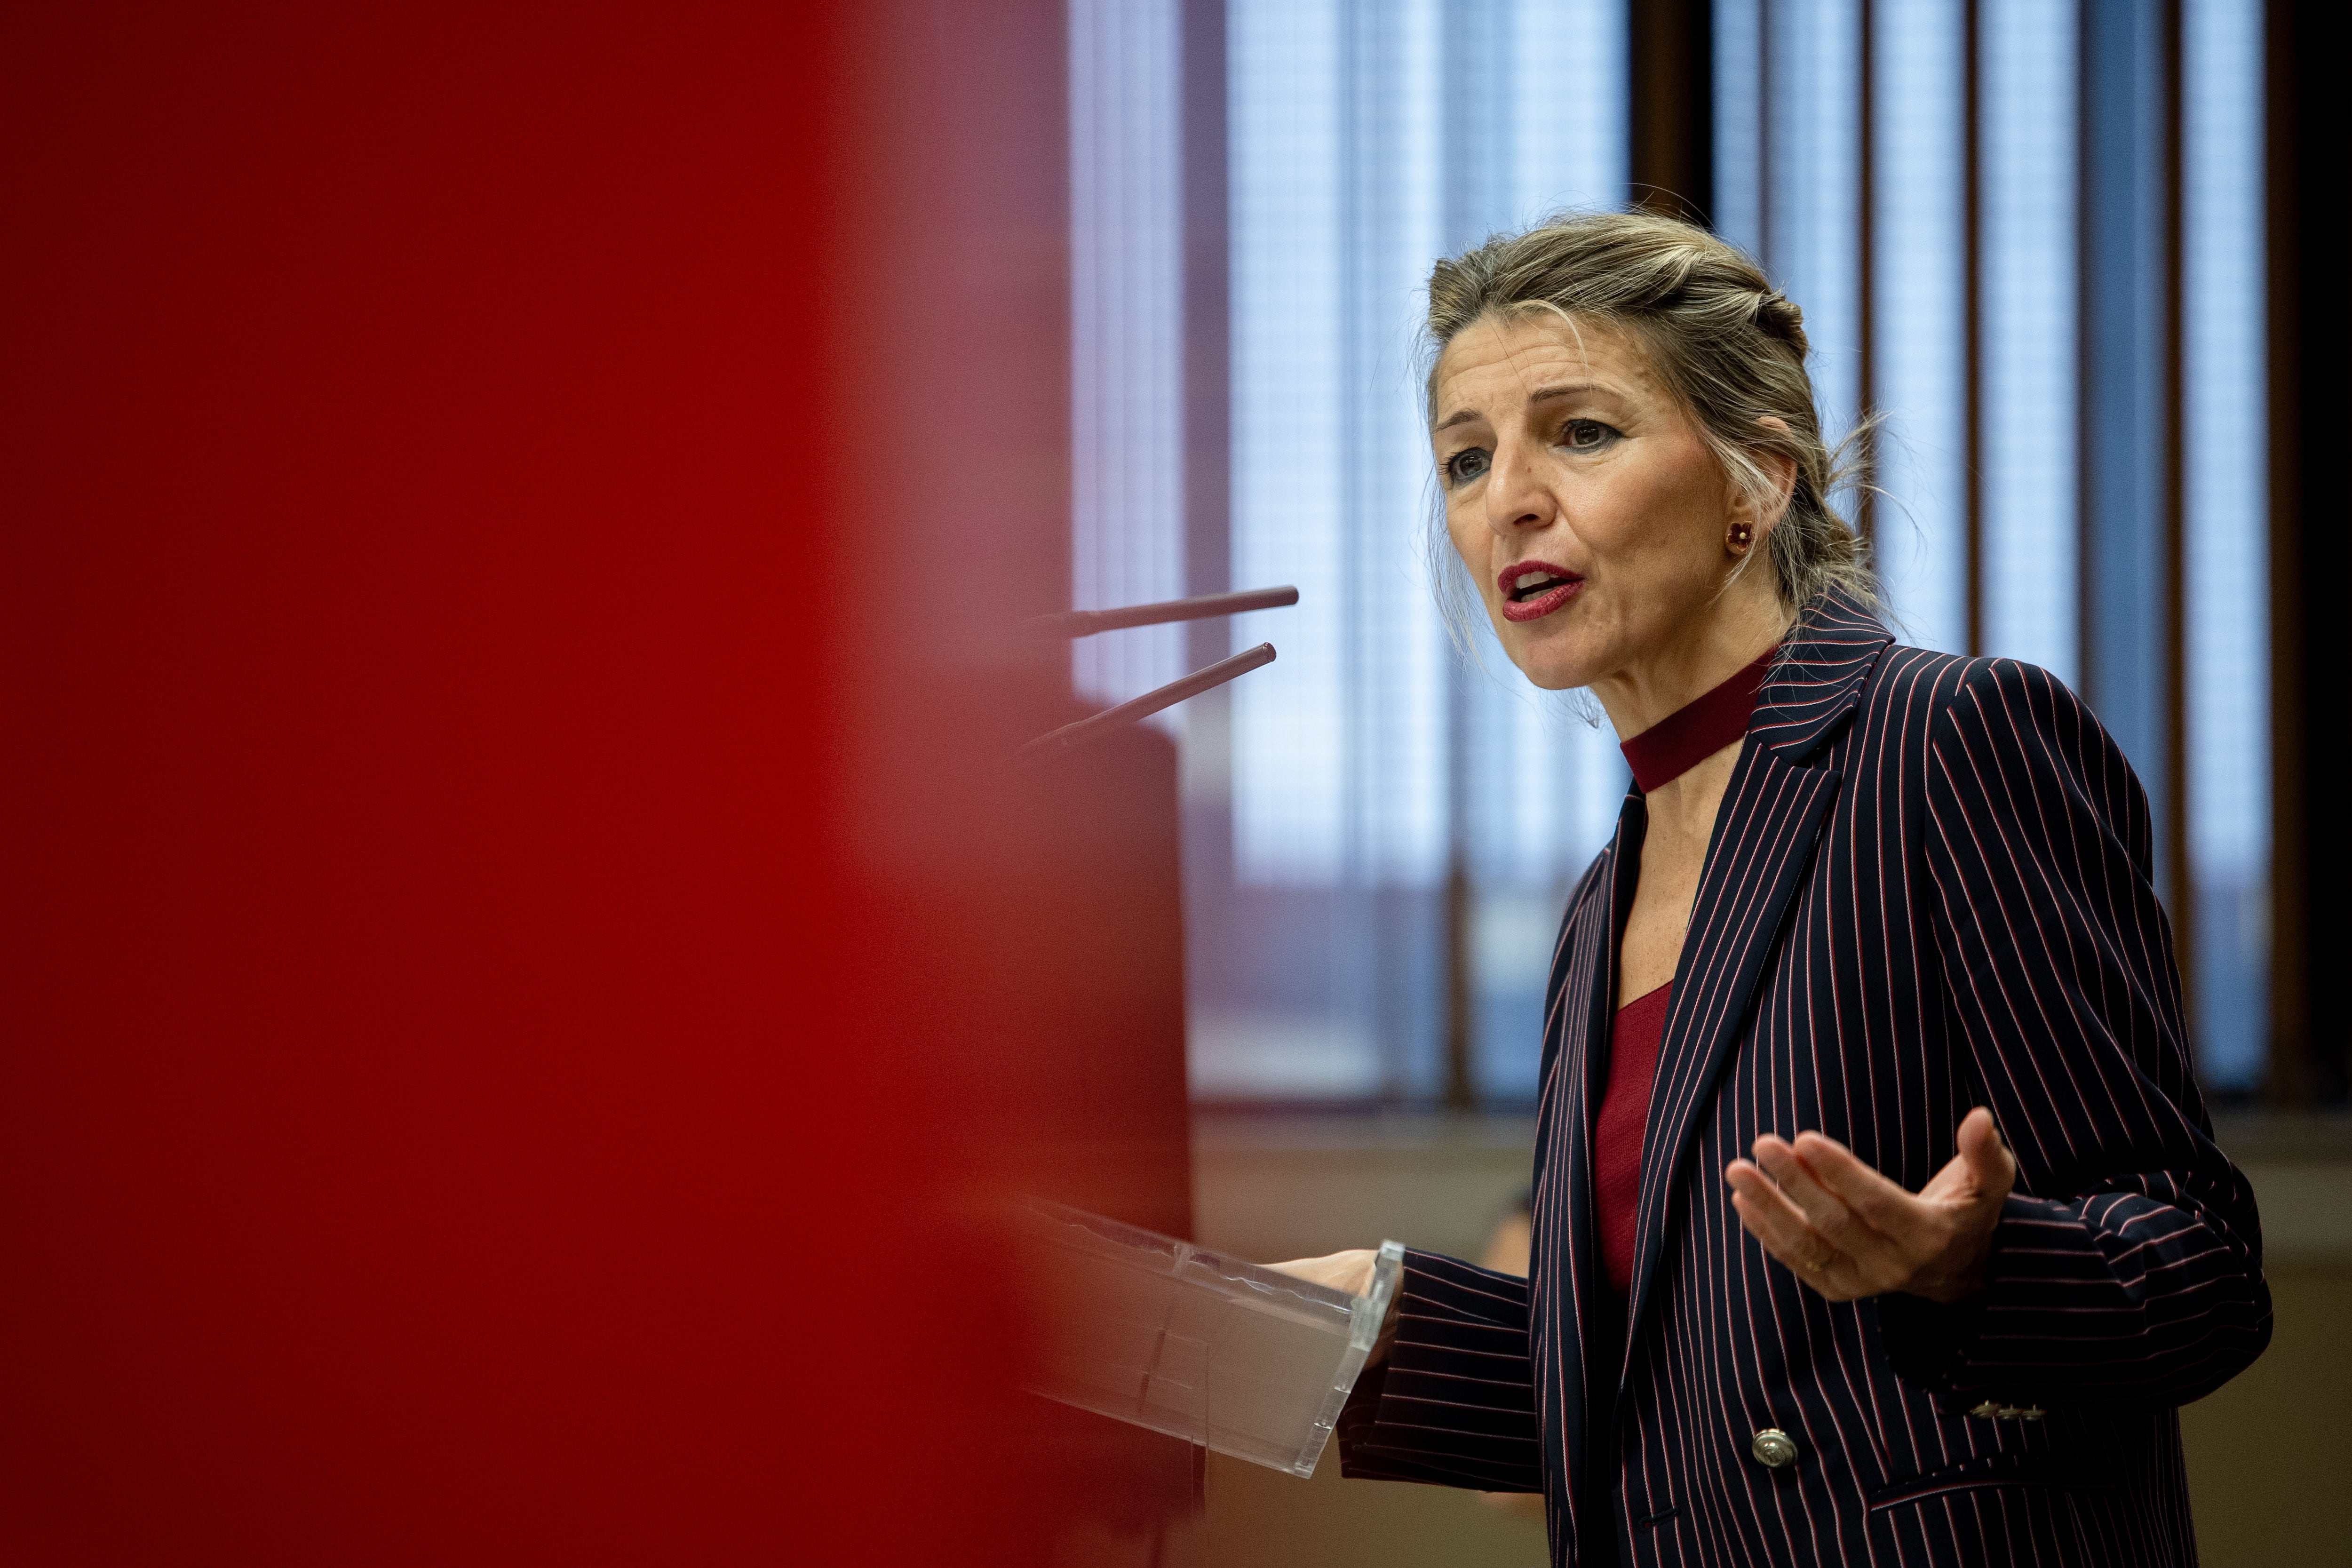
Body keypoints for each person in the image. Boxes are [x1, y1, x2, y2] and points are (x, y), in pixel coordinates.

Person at [1275, 212, 2269, 1568]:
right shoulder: (1592, 913)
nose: (1505, 496)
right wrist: (1352, 1329)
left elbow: (2198, 1270)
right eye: (1464, 456)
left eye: (1580, 433)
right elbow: (1673, 1402)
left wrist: (1967, 1267)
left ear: (1758, 482)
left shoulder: (1948, 739)